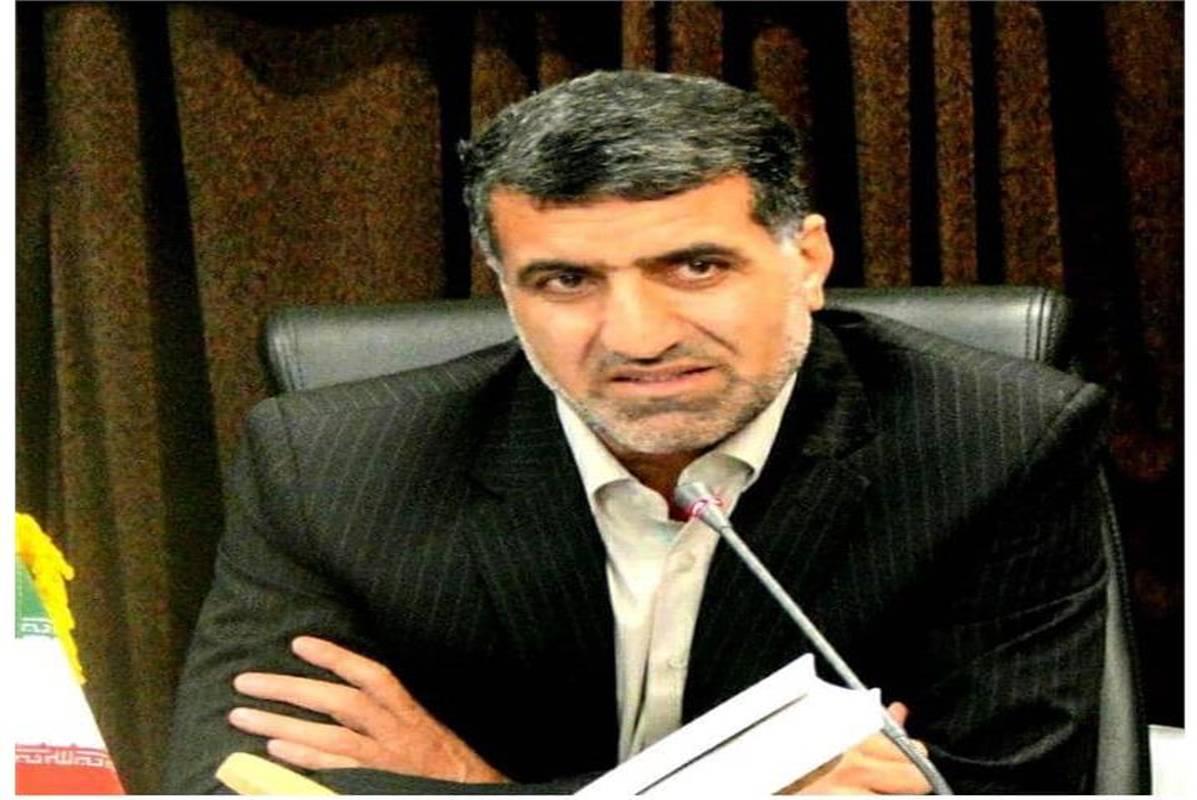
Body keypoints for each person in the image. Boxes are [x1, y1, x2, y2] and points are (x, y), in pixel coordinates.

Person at [164, 71, 1108, 795]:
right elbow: (233, 784)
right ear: (506, 291)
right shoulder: (332, 462)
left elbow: (1008, 789)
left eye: (696, 267)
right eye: (566, 281)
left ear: (808, 260)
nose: (639, 337)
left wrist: (470, 783)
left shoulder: (992, 441)